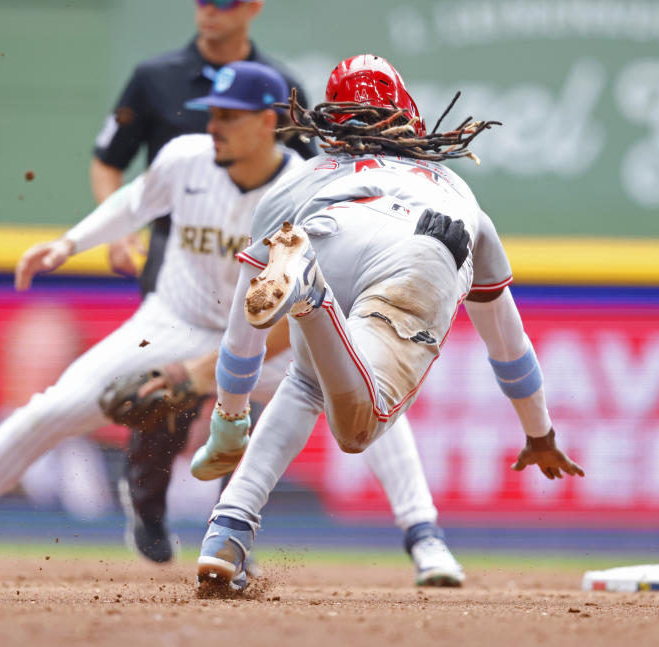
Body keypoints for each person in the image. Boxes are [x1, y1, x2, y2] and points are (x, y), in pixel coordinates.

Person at [0, 61, 466, 587]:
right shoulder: (185, 158)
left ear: (267, 122)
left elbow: (310, 306)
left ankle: (425, 540)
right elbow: (132, 204)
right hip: (173, 320)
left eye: (227, 116)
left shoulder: (310, 187)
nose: (212, 125)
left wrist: (205, 373)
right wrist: (68, 244)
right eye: (210, 113)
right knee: (53, 407)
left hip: (269, 338)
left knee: (370, 400)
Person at [192, 54, 586, 593]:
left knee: (310, 380)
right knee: (358, 427)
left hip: (324, 232)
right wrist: (539, 433)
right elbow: (508, 346)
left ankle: (228, 531)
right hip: (419, 246)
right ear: (407, 116)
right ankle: (310, 294)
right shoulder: (453, 187)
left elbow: (244, 334)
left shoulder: (298, 179)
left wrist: (230, 420)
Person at [91, 0, 316, 561]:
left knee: (238, 406)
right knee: (165, 398)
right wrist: (118, 229)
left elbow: (312, 180)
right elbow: (108, 160)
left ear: (253, 8)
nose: (211, 9)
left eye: (226, 0)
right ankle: (146, 503)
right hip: (179, 255)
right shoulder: (155, 77)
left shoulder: (282, 86)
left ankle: (229, 528)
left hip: (251, 253)